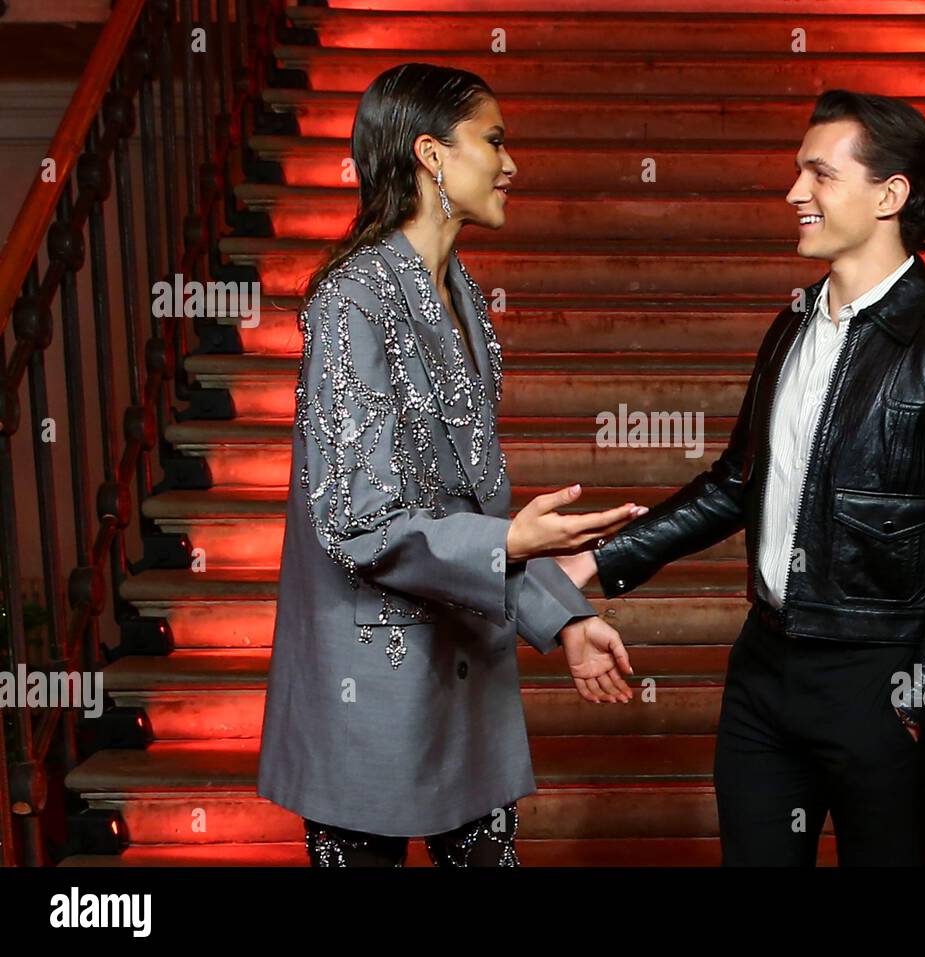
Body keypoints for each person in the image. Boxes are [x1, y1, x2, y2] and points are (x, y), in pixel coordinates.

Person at [557, 90, 925, 866]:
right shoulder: (791, 326)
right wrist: (596, 561)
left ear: (891, 194)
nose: (793, 194)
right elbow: (732, 485)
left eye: (818, 175)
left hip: (878, 684)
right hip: (763, 675)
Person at [257, 63, 644, 867]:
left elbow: (462, 504)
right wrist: (513, 545)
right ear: (432, 155)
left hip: (466, 677)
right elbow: (359, 520)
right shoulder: (351, 300)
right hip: (370, 684)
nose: (512, 165)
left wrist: (563, 615)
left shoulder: (460, 291)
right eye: (494, 141)